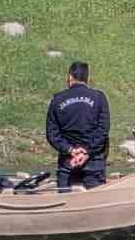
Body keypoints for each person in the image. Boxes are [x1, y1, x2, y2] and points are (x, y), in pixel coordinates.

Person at [45, 62, 110, 191]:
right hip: (93, 162)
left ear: (70, 77)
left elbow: (52, 134)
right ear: (87, 78)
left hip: (67, 162)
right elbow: (103, 130)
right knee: (95, 202)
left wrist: (70, 150)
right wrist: (85, 151)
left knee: (65, 204)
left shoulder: (57, 99)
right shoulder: (99, 98)